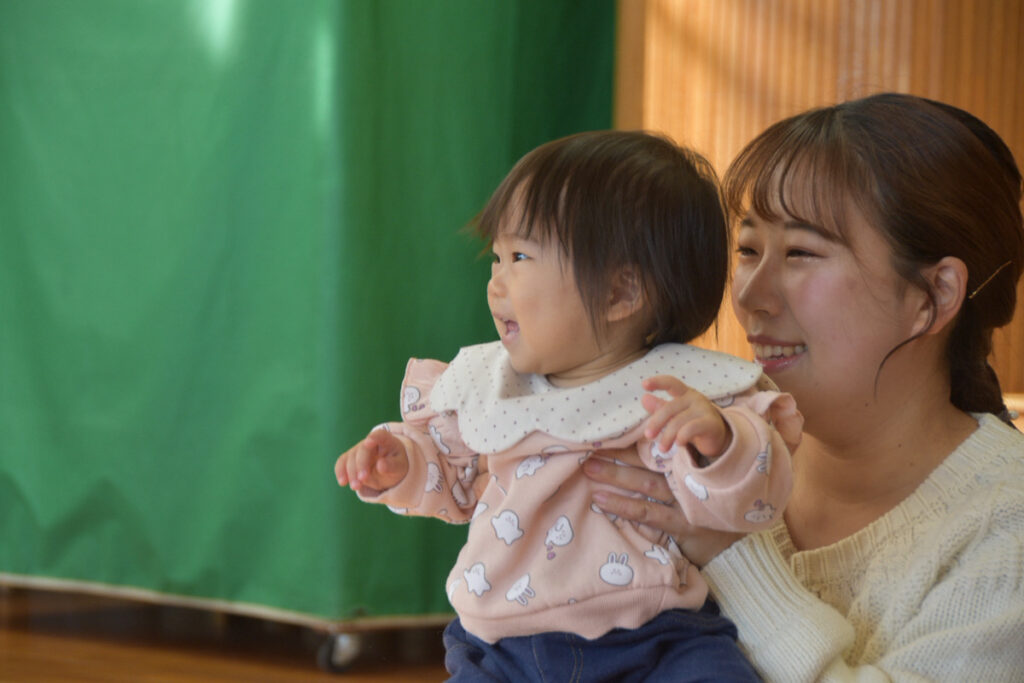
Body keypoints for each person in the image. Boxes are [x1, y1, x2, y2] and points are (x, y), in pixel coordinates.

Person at [583, 93, 1024, 681]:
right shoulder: (695, 454)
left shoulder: (1007, 526)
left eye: (800, 253)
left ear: (934, 295)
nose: (749, 296)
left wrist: (731, 556)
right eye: (748, 250)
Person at [335, 130, 802, 681]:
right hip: (502, 649)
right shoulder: (491, 384)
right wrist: (405, 462)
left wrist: (720, 444)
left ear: (620, 294)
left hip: (656, 637)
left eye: (520, 256)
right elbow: (452, 476)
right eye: (496, 257)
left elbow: (753, 502)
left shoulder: (680, 392)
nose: (495, 283)